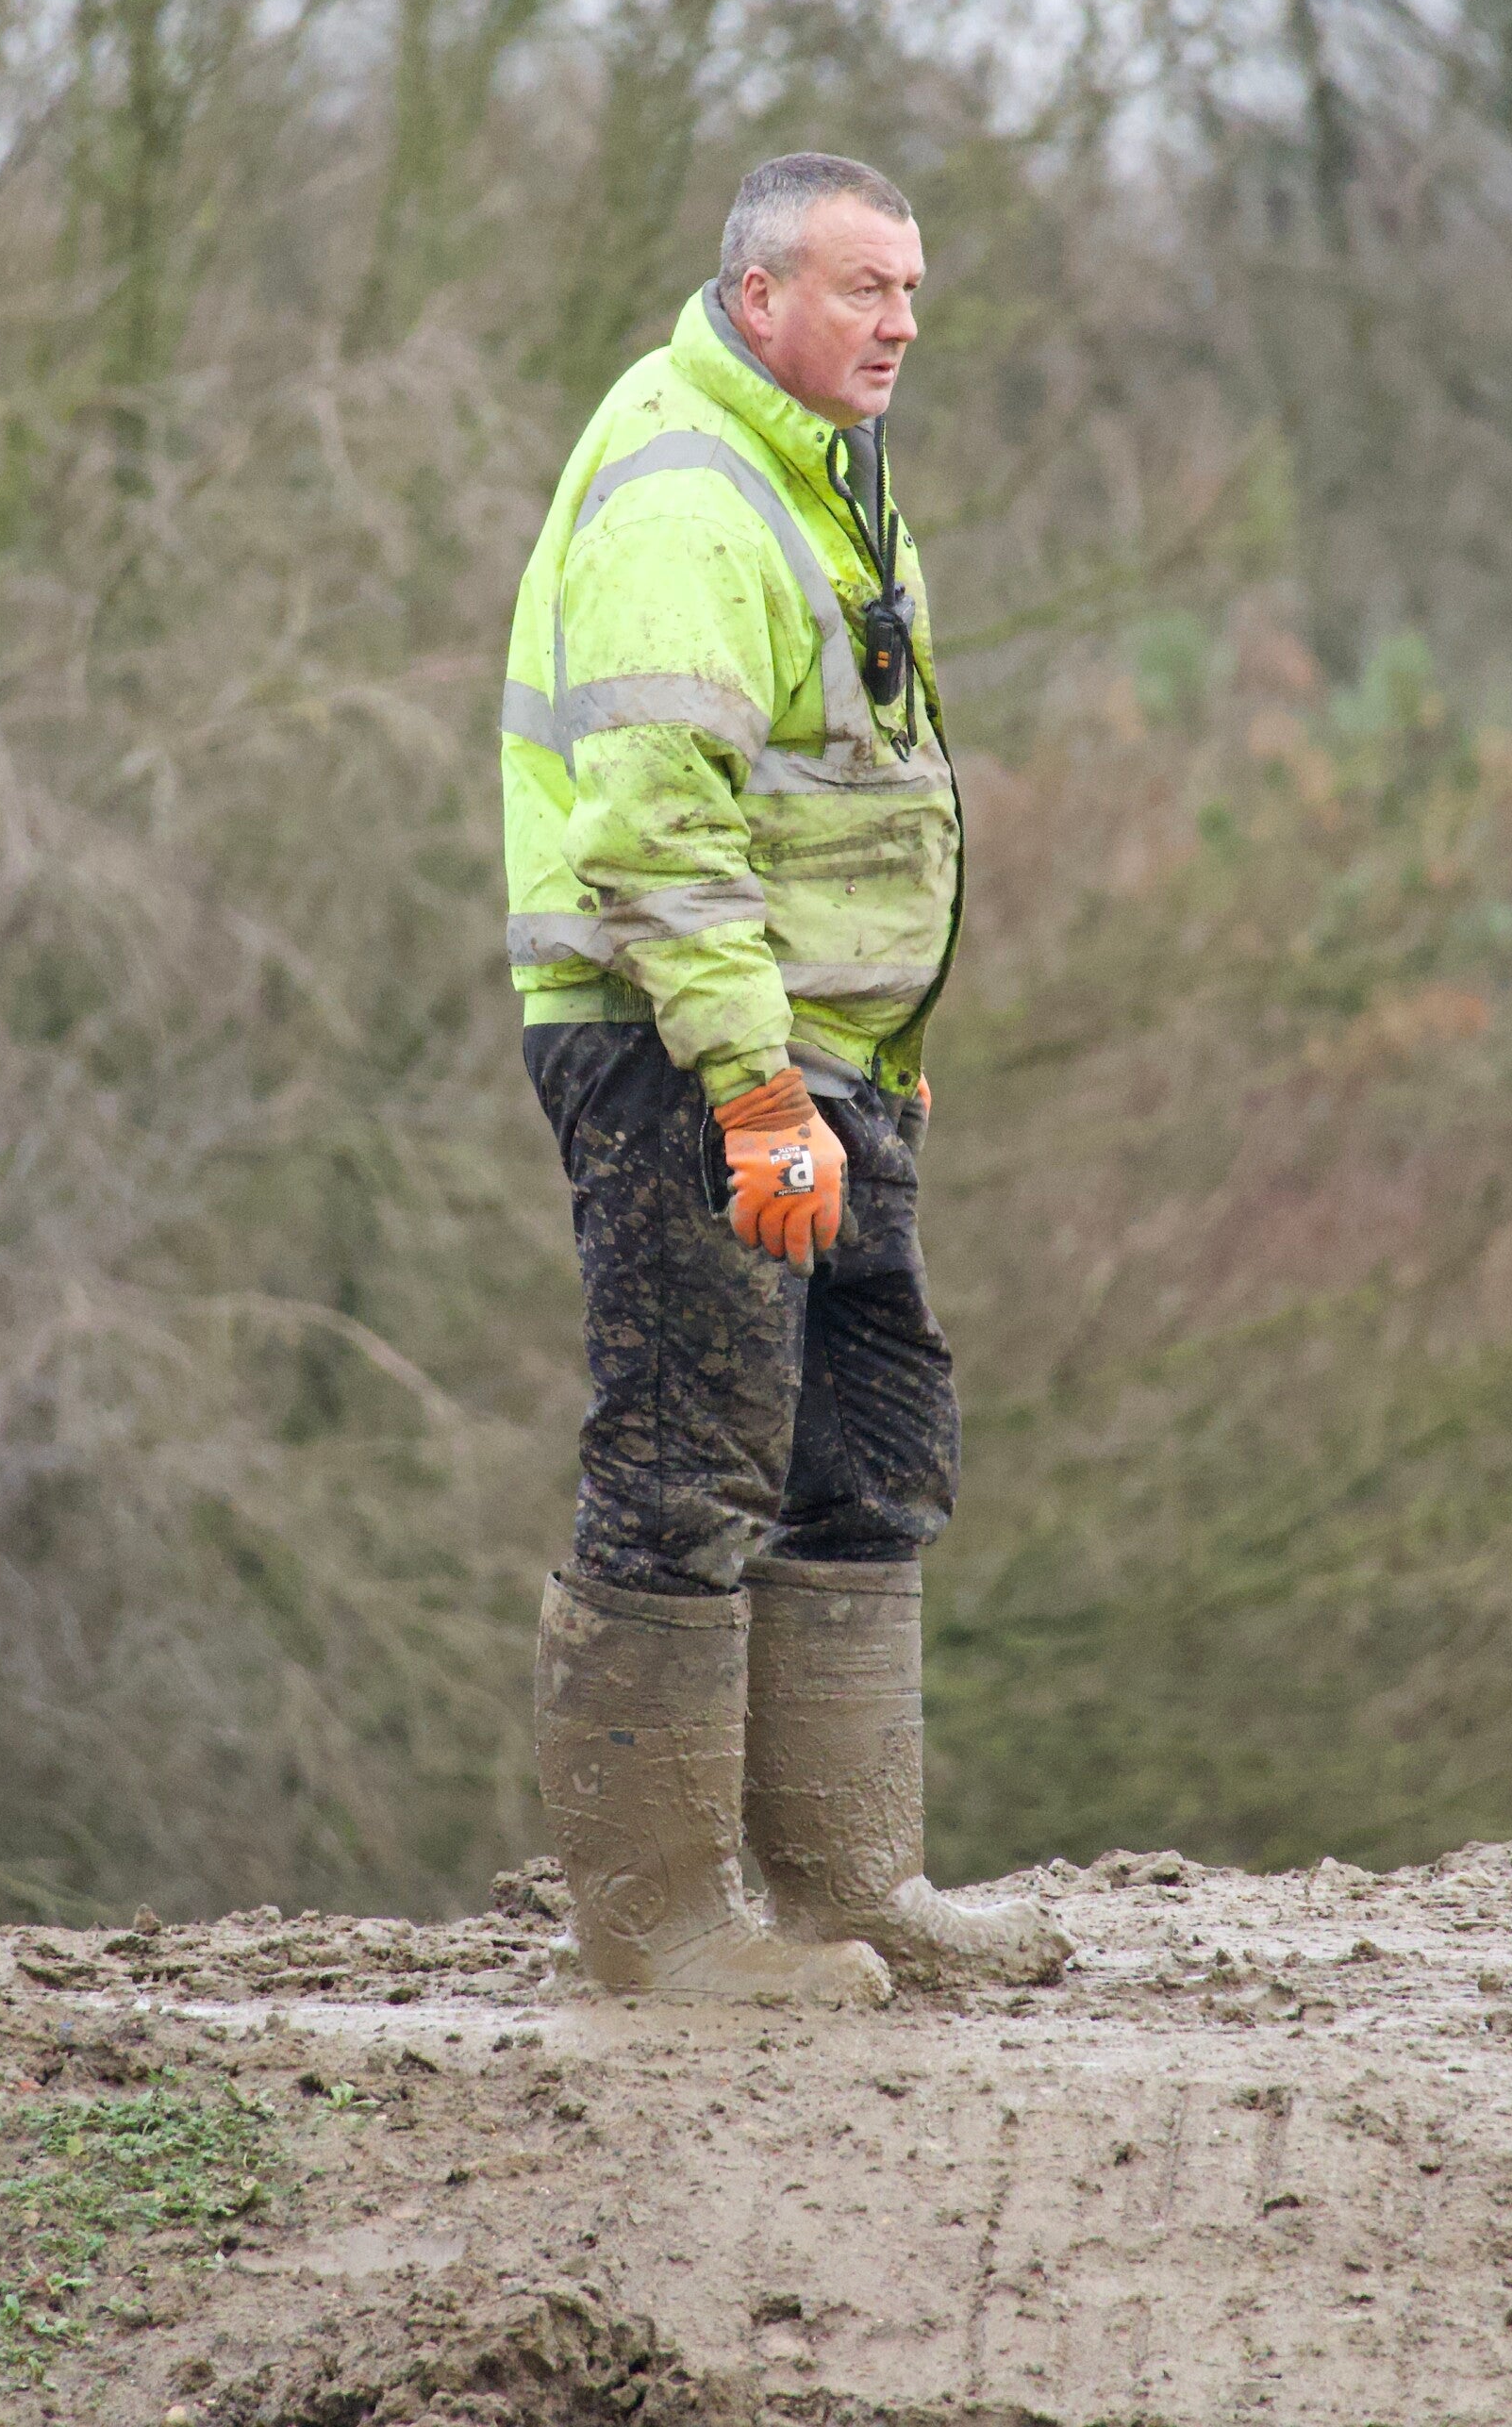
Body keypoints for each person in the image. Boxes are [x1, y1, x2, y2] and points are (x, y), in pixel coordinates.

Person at [502, 151, 1071, 2003]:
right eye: (859, 289)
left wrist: (873, 1058)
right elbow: (654, 829)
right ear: (759, 297)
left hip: (827, 1053)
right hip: (687, 1048)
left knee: (869, 1449)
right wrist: (756, 1086)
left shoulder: (827, 470)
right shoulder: (689, 495)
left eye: (911, 290)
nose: (898, 324)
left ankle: (845, 1892)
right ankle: (656, 1931)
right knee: (689, 1460)